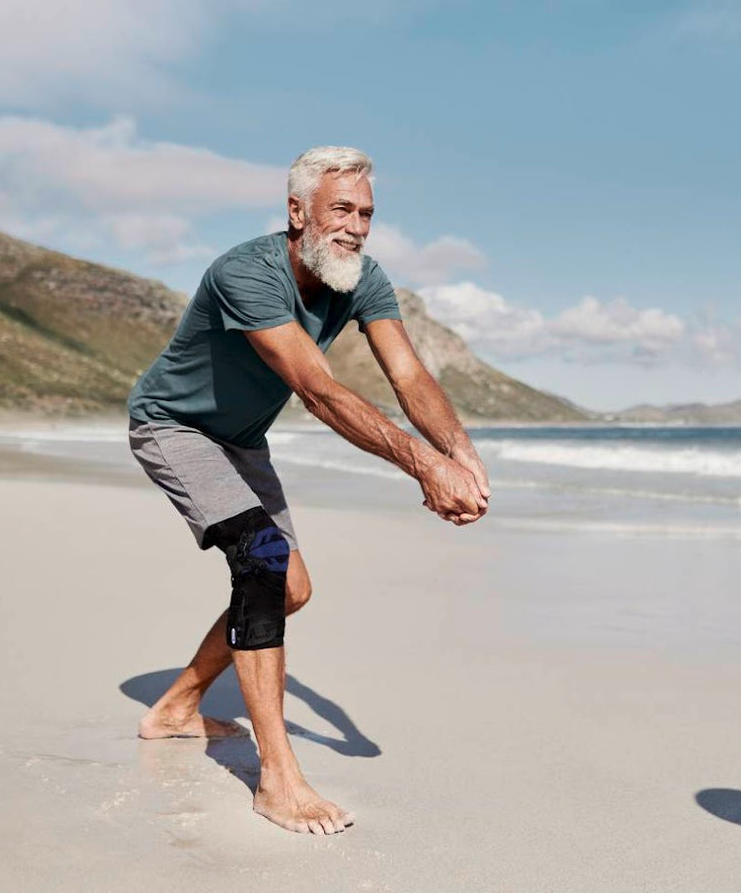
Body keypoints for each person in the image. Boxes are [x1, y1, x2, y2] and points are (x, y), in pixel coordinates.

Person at [126, 146, 490, 836]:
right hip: (172, 428)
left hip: (241, 442)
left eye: (367, 213)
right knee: (262, 563)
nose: (356, 226)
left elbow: (409, 378)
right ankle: (278, 780)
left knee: (289, 587)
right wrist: (422, 468)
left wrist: (460, 456)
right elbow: (319, 391)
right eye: (341, 210)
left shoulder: (365, 279)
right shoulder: (246, 272)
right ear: (298, 213)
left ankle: (175, 707)